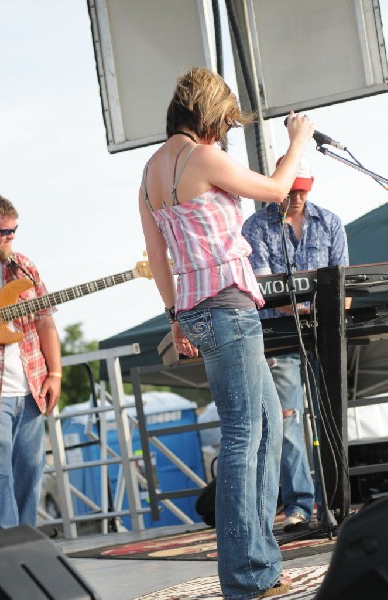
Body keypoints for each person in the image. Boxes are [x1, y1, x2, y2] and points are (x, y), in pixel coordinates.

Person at [139, 67, 314, 599]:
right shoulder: (202, 156)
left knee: (260, 427)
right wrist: (298, 140)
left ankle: (259, 561)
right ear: (209, 115)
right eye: (225, 123)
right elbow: (277, 189)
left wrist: (174, 316)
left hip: (198, 308)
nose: (226, 133)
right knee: (245, 435)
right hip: (229, 308)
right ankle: (245, 576)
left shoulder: (149, 171)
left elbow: (157, 254)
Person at [242, 156, 349, 532]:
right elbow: (264, 287)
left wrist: (312, 307)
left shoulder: (331, 222)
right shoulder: (255, 227)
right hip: (282, 339)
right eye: (291, 188)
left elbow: (344, 286)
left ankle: (338, 499)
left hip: (324, 336)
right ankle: (300, 505)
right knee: (287, 422)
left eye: (303, 187)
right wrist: (305, 305)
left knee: (330, 416)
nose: (298, 195)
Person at [0, 194, 62, 530]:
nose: (11, 237)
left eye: (14, 230)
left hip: (30, 388)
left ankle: (27, 551)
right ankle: (4, 557)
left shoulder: (24, 267)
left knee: (29, 474)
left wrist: (56, 373)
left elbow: (46, 320)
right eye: (4, 231)